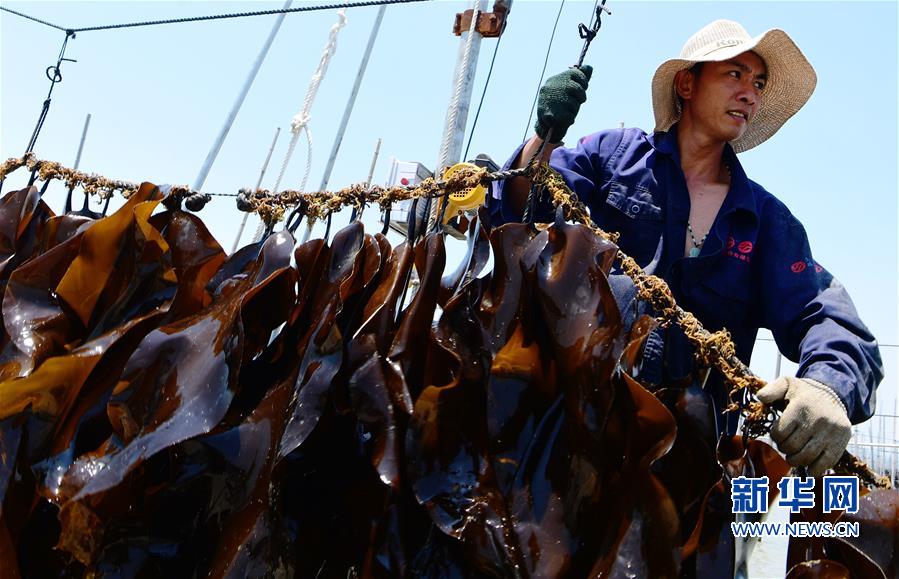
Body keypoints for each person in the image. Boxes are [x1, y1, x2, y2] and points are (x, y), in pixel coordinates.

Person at [487, 20, 882, 477]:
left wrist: (828, 387)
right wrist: (545, 136)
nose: (750, 94)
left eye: (758, 84)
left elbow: (825, 314)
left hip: (687, 471)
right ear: (687, 84)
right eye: (735, 74)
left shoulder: (765, 222)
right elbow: (522, 213)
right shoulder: (613, 157)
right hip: (562, 434)